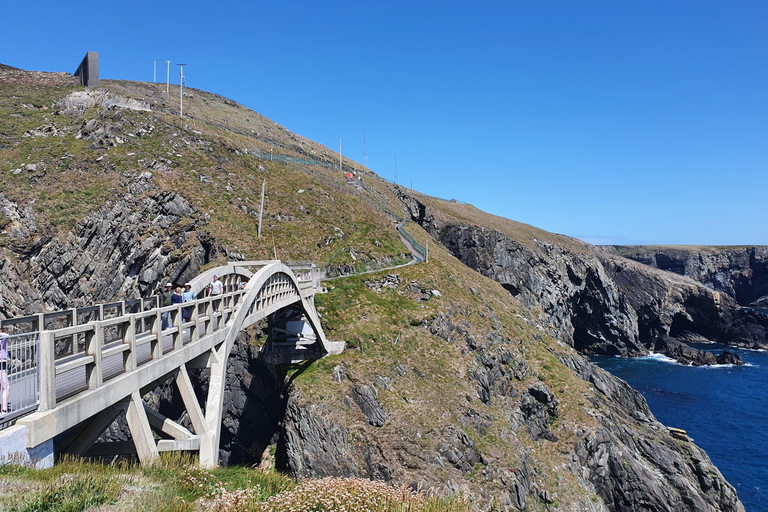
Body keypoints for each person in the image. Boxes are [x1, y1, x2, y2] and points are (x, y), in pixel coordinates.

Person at [0, 332, 9, 415]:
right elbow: (6, 335)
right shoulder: (2, 340)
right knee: (5, 387)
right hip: (1, 363)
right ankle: (4, 409)